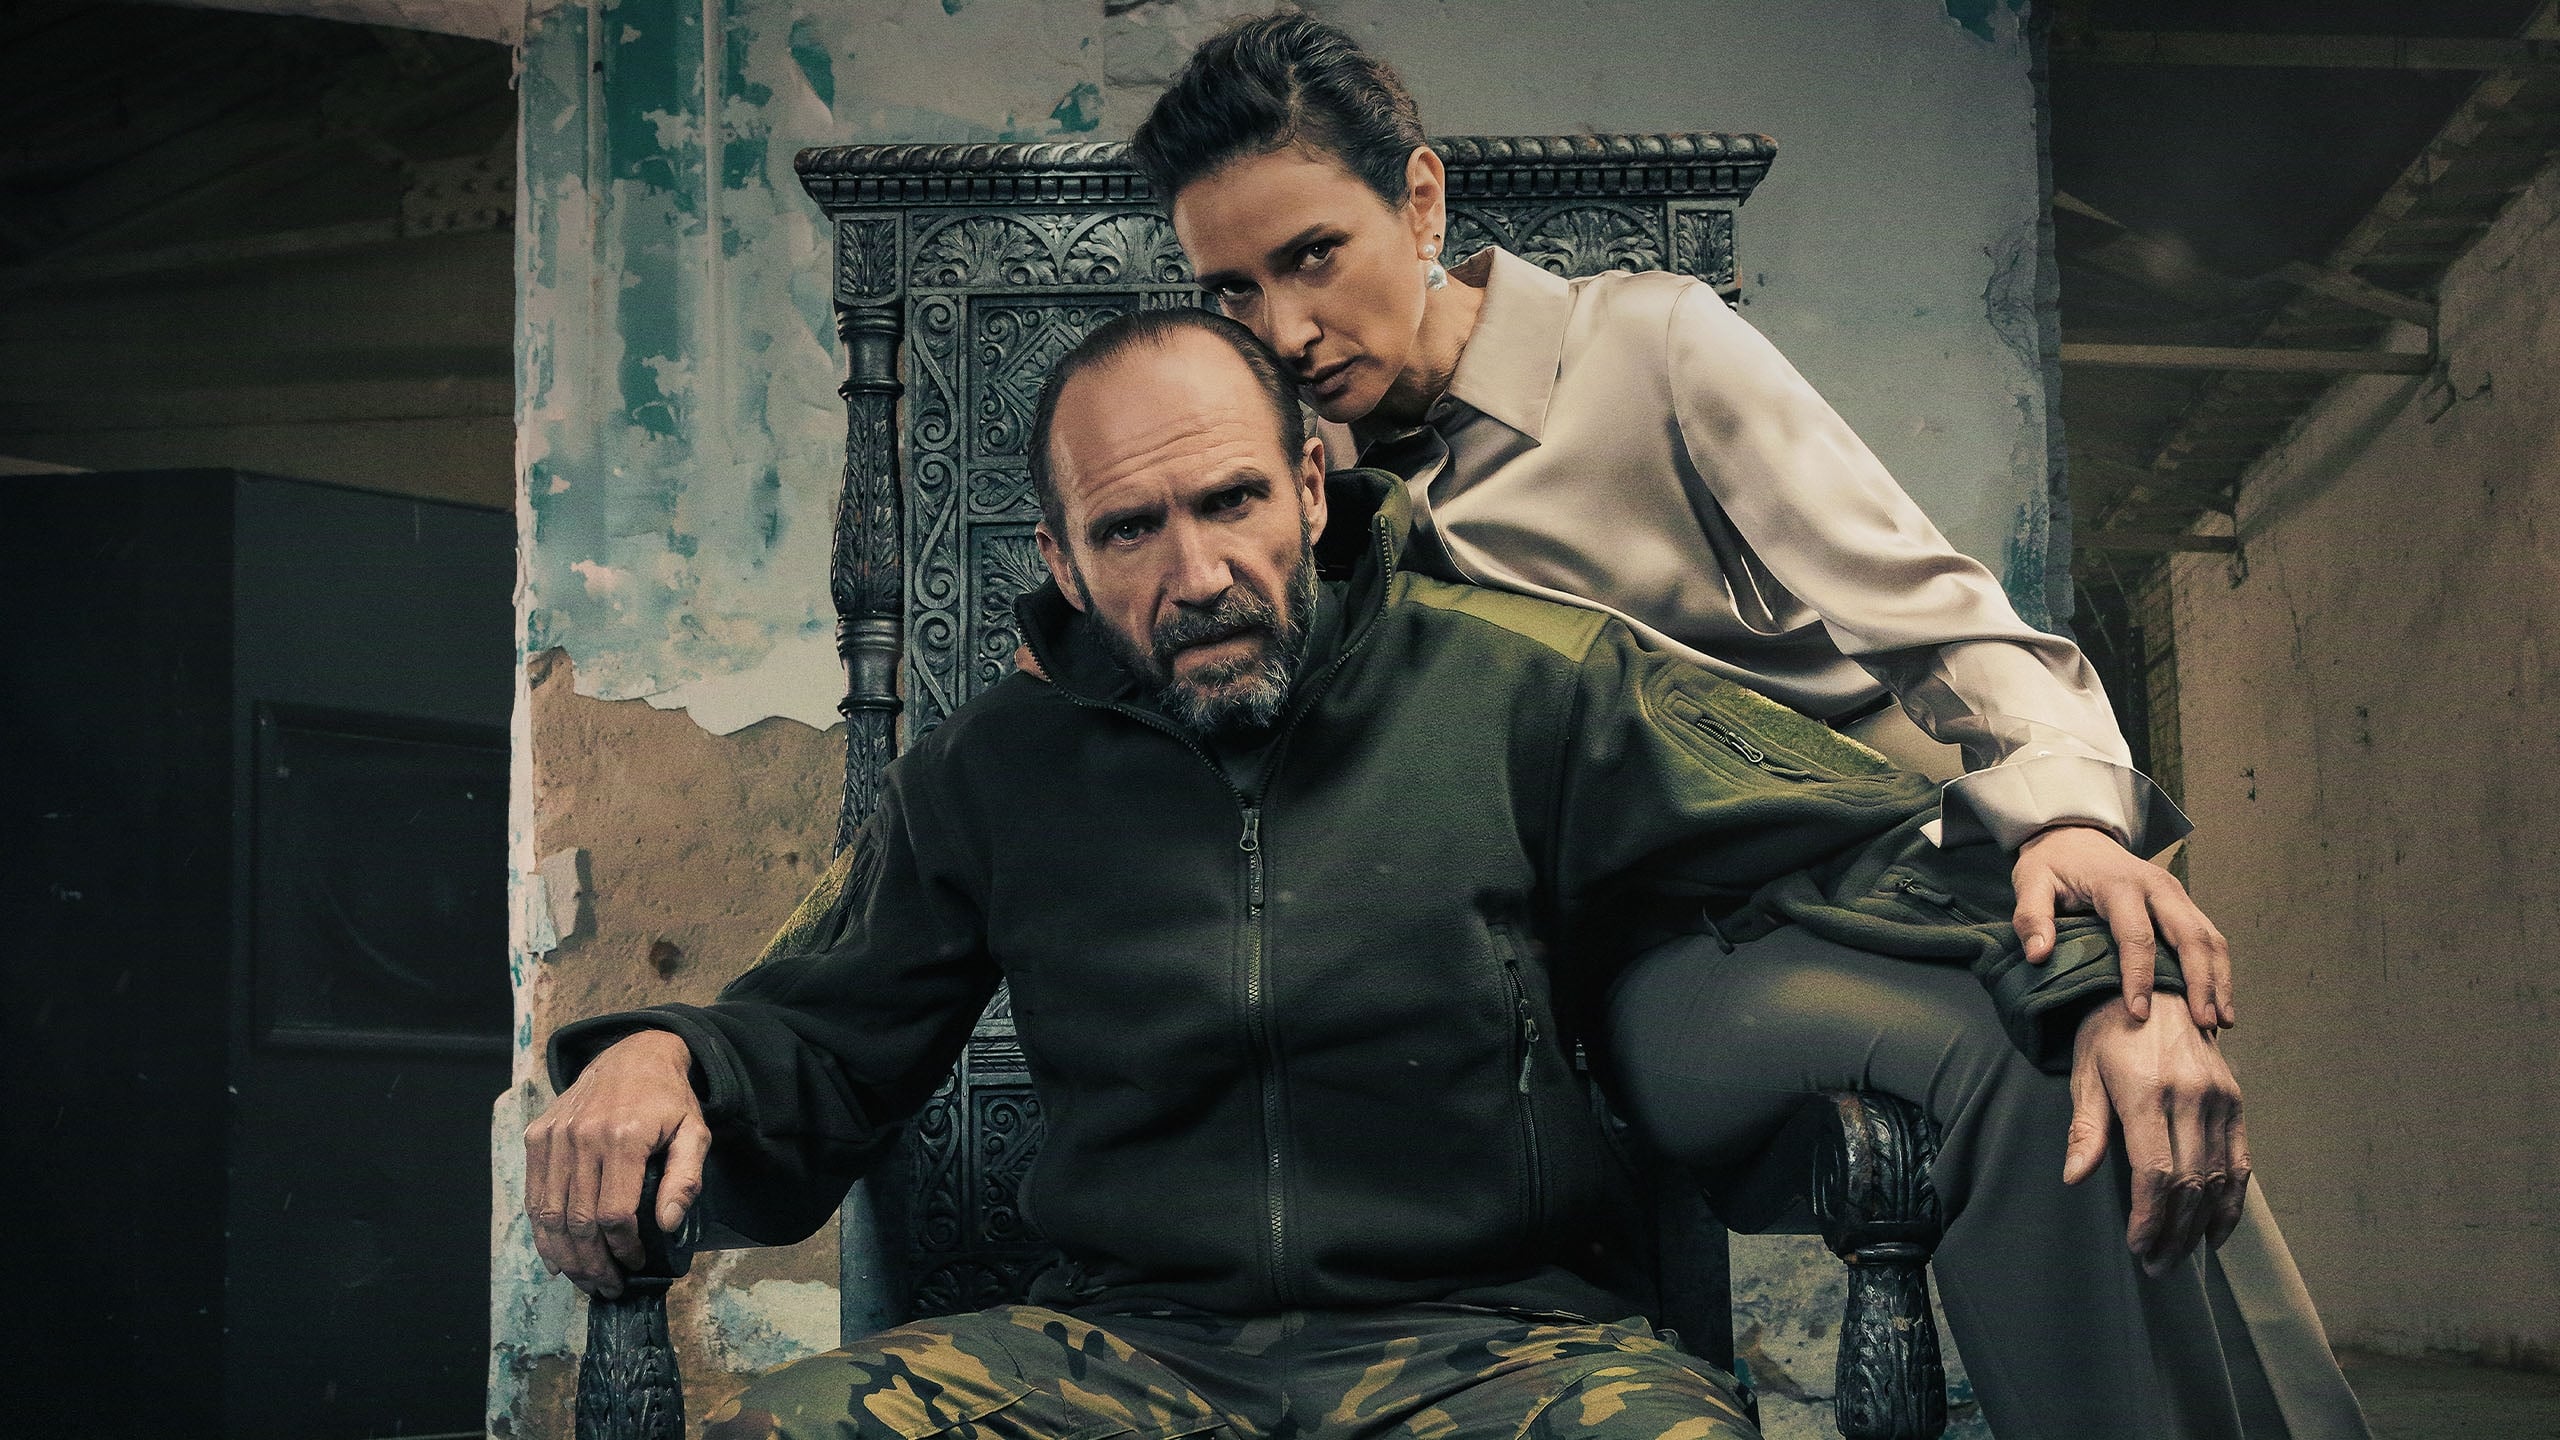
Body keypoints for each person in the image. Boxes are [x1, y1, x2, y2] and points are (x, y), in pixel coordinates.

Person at [526, 310, 2223, 1440]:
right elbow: (816, 1037)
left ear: (1312, 485)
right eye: (1130, 531)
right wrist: (662, 1053)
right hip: (1125, 1354)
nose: (1197, 571)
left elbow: (1857, 840)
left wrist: (2101, 991)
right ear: (1061, 557)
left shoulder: (1534, 684)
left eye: (1230, 502)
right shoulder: (987, 774)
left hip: (1511, 1350)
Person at [1119, 15, 2369, 1439]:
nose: (1283, 331)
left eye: (1312, 257)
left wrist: (2075, 818)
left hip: (1899, 862)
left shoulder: (1650, 345)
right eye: (1231, 292)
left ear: (1418, 200)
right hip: (1675, 966)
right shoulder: (1287, 497)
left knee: (2127, 1021)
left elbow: (1942, 619)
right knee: (2016, 1059)